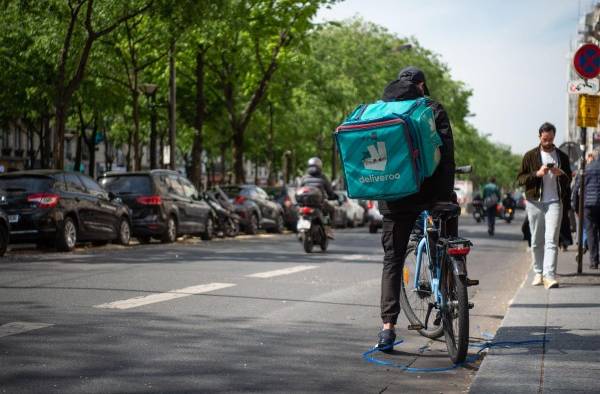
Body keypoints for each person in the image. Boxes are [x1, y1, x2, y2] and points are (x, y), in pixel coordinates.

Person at [375, 66, 456, 352]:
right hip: (428, 194)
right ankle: (452, 283)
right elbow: (445, 156)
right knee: (446, 240)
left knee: (393, 260)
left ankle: (387, 329)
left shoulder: (380, 109)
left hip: (393, 197)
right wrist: (444, 197)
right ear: (421, 85)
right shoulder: (431, 108)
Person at [517, 122, 572, 289]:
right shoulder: (529, 156)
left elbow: (569, 178)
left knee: (551, 240)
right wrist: (537, 174)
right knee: (536, 240)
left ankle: (549, 276)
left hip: (555, 202)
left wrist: (560, 173)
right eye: (545, 139)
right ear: (540, 137)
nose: (548, 142)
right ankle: (538, 273)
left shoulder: (562, 157)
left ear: (554, 137)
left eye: (551, 139)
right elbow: (520, 179)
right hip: (535, 202)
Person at [572, 149, 600, 269]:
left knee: (591, 233)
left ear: (592, 157)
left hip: (588, 206)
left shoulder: (586, 169)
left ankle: (594, 261)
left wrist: (576, 207)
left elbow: (576, 190)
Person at [299, 157, 337, 238]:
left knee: (300, 213)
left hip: (305, 204)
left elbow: (299, 189)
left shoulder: (304, 177)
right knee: (332, 210)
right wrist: (333, 196)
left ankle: (300, 231)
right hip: (320, 204)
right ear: (320, 166)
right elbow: (329, 190)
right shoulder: (323, 177)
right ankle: (329, 230)